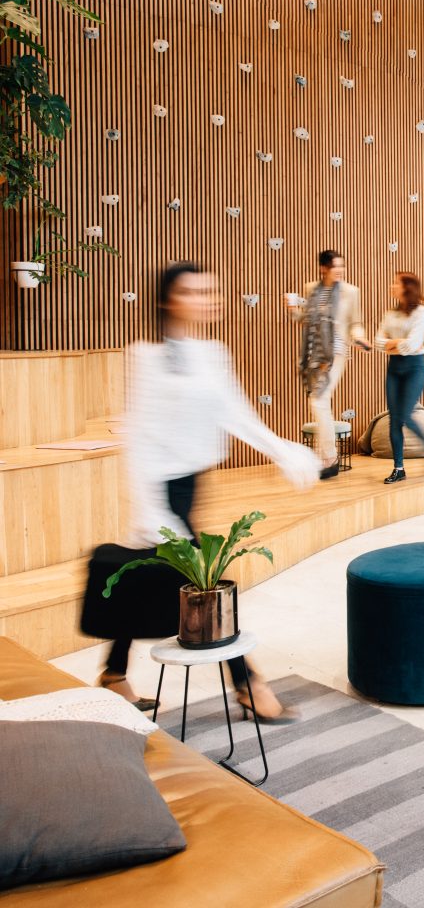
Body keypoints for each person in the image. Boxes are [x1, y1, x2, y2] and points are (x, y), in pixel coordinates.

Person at [104, 262, 320, 721]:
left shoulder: (212, 353)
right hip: (160, 490)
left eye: (211, 289)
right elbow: (138, 436)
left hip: (191, 484)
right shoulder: (147, 356)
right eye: (193, 291)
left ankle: (112, 675)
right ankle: (247, 683)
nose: (207, 297)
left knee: (150, 580)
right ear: (167, 300)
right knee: (205, 587)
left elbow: (236, 415)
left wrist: (284, 451)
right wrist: (151, 509)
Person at [290, 249, 370, 479]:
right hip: (314, 355)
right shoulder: (311, 289)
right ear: (323, 268)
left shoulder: (350, 292)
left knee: (319, 401)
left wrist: (359, 337)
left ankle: (329, 457)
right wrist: (293, 310)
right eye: (336, 268)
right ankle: (325, 455)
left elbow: (355, 322)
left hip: (335, 353)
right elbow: (306, 321)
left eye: (342, 267)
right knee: (317, 402)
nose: (340, 272)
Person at [375, 272, 424, 483]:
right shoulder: (390, 314)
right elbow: (377, 342)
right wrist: (399, 345)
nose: (392, 286)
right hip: (394, 369)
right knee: (394, 420)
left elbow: (411, 345)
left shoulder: (421, 312)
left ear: (407, 287)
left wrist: (392, 344)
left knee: (404, 415)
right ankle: (399, 468)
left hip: (415, 369)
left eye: (396, 283)